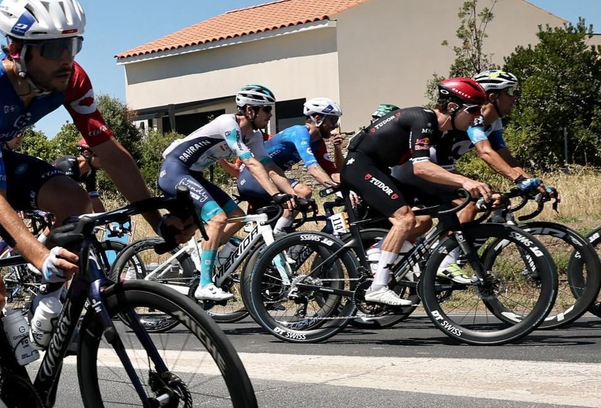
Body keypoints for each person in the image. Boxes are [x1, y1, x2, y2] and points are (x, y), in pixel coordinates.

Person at [0, 0, 171, 390]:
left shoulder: (70, 78)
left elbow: (112, 153)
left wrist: (158, 221)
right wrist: (37, 254)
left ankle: (49, 301)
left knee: (76, 199)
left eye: (74, 45)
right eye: (53, 49)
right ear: (18, 50)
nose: (67, 60)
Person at [340, 78, 494, 306]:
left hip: (379, 170)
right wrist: (465, 181)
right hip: (360, 167)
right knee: (405, 219)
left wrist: (471, 190)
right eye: (473, 110)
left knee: (423, 220)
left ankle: (391, 257)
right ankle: (378, 286)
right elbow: (421, 167)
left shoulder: (443, 132)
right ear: (452, 107)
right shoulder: (424, 119)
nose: (477, 117)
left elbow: (441, 172)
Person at [156, 83, 293, 302]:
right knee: (218, 219)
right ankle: (204, 284)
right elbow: (250, 163)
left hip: (193, 174)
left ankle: (204, 252)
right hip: (175, 170)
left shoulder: (255, 137)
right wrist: (275, 195)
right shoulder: (227, 124)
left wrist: (293, 194)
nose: (270, 115)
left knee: (237, 217)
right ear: (250, 110)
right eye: (267, 109)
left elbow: (270, 168)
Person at [240, 96, 345, 232]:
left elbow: (332, 172)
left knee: (294, 205)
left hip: (271, 178)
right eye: (333, 120)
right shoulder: (299, 132)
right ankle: (279, 238)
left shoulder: (318, 144)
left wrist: (350, 188)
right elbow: (314, 169)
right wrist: (340, 191)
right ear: (318, 119)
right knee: (303, 192)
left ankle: (281, 239)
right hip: (252, 177)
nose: (335, 125)